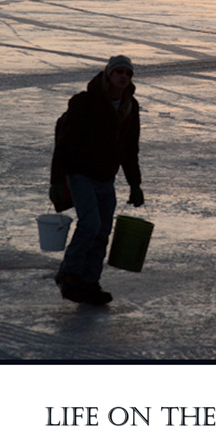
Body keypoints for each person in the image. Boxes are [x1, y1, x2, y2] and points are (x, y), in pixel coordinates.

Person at [50, 55, 144, 305]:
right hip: (80, 172)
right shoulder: (85, 102)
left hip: (105, 177)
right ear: (108, 74)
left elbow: (129, 149)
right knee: (90, 224)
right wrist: (57, 181)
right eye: (119, 72)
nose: (123, 76)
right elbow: (64, 143)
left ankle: (90, 282)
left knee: (102, 230)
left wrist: (135, 184)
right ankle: (69, 275)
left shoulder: (129, 107)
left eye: (128, 73)